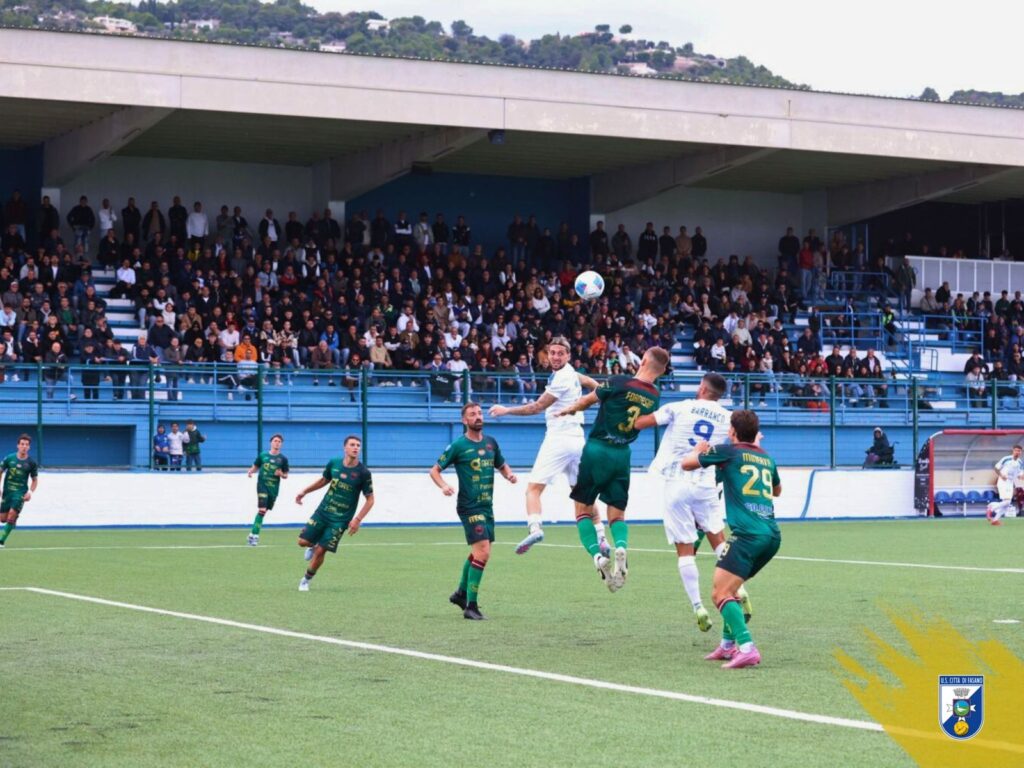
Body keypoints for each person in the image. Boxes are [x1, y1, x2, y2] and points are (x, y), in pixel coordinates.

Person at [634, 372, 750, 632]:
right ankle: (739, 589)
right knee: (718, 540)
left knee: (685, 551)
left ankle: (698, 606)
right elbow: (741, 442)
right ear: (719, 395)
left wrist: (631, 409)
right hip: (706, 483)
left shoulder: (680, 407)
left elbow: (641, 423)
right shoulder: (728, 417)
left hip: (677, 481)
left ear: (702, 388)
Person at [557, 347, 669, 591]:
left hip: (598, 449)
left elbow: (588, 400)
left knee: (583, 511)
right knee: (617, 515)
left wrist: (568, 409)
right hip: (623, 455)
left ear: (645, 360)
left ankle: (598, 556)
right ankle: (620, 546)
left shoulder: (619, 381)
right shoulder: (654, 396)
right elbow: (641, 422)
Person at [488, 336, 607, 555]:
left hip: (559, 439)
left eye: (560, 353)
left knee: (533, 489)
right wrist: (600, 390)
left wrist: (506, 410)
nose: (555, 356)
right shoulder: (570, 372)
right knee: (582, 493)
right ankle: (601, 536)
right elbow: (586, 380)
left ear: (568, 355)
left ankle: (535, 528)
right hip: (578, 439)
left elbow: (537, 407)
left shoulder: (562, 377)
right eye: (552, 352)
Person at [681, 409, 781, 669]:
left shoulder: (729, 451)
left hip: (748, 536)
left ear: (733, 432)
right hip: (771, 535)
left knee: (720, 592)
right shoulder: (766, 457)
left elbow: (687, 464)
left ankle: (747, 647)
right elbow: (777, 490)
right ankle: (727, 645)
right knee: (732, 588)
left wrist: (700, 449)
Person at [430, 403, 517, 620]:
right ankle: (471, 605)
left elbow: (501, 464)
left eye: (479, 413)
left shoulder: (491, 443)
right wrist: (443, 486)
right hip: (469, 506)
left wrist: (509, 474)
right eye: (472, 414)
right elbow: (434, 470)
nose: (477, 417)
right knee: (484, 552)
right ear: (464, 420)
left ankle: (461, 593)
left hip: (487, 506)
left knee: (479, 552)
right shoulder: (458, 445)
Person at [295, 436, 375, 591]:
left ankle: (306, 580)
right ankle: (312, 544)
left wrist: (357, 519)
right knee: (302, 542)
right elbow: (323, 481)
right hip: (323, 512)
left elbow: (370, 500)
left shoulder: (363, 473)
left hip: (340, 520)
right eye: (352, 445)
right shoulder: (334, 463)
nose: (356, 448)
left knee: (321, 551)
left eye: (358, 445)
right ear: (344, 448)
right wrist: (304, 491)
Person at [247, 434, 290, 546]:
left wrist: (281, 474)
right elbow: (256, 465)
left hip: (273, 489)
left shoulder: (283, 459)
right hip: (262, 486)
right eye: (275, 441)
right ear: (271, 442)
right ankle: (255, 536)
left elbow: (286, 475)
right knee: (262, 509)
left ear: (281, 444)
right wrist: (251, 471)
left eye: (279, 441)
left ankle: (251, 534)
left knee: (264, 512)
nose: (277, 443)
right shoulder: (263, 455)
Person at [0, 435, 39, 548]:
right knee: (3, 519)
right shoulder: (9, 458)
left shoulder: (32, 463)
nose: (24, 446)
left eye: (26, 444)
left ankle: (1, 541)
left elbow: (35, 480)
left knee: (11, 516)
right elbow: (0, 471)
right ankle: (14, 519)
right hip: (7, 492)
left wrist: (30, 493)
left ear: (29, 447)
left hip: (20, 493)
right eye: (22, 444)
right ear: (18, 445)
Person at [987, 444, 1024, 526]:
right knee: (1007, 501)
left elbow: (1019, 475)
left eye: (1019, 451)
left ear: (1021, 452)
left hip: (1010, 483)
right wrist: (1001, 475)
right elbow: (996, 468)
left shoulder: (1020, 463)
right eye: (1016, 450)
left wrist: (1021, 477)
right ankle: (991, 508)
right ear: (1013, 451)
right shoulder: (1006, 459)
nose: (1017, 452)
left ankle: (995, 520)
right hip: (1003, 481)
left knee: (1007, 503)